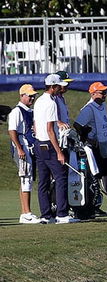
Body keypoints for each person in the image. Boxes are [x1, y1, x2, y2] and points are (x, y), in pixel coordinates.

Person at [33, 74, 80, 224]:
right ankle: (61, 214)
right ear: (53, 87)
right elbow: (50, 129)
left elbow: (35, 124)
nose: (61, 87)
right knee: (60, 178)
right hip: (49, 144)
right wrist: (59, 152)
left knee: (43, 182)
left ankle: (46, 215)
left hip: (38, 144)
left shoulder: (39, 100)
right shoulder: (51, 103)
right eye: (58, 86)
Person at [74, 82, 107, 214]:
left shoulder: (102, 105)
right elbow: (77, 125)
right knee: (95, 178)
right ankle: (94, 205)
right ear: (93, 94)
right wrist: (89, 139)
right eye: (102, 92)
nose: (105, 95)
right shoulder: (88, 109)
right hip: (93, 147)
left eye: (105, 92)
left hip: (103, 145)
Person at [7, 84, 40, 224]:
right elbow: (12, 131)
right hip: (22, 146)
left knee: (26, 178)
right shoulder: (17, 111)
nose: (32, 98)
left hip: (29, 146)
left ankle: (25, 212)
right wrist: (19, 148)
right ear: (22, 96)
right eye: (29, 95)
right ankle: (26, 213)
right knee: (26, 177)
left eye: (33, 95)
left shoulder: (29, 111)